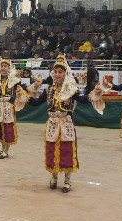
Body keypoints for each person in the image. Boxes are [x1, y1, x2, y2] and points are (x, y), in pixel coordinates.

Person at [28, 58, 104, 193]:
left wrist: (95, 93)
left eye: (60, 72)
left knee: (67, 150)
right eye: (56, 72)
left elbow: (83, 99)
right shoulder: (49, 90)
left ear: (65, 74)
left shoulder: (71, 90)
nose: (57, 74)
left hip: (66, 122)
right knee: (51, 150)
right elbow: (36, 103)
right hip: (52, 123)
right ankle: (54, 177)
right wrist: (24, 96)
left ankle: (67, 180)